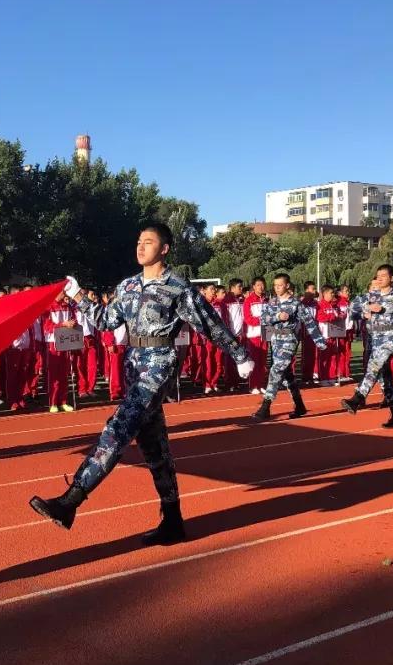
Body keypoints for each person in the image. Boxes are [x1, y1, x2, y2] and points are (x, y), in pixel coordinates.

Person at [29, 221, 253, 544]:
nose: (140, 246)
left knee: (117, 429)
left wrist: (239, 353)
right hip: (134, 364)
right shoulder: (128, 286)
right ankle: (173, 520)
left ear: (164, 249)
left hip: (159, 365)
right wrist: (78, 294)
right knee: (155, 448)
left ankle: (71, 501)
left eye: (148, 242)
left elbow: (209, 323)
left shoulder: (177, 287)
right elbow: (106, 321)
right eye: (138, 241)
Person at [341, 265, 393, 428]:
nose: (380, 278)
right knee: (385, 379)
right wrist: (367, 307)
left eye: (383, 275)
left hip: (390, 337)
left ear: (392, 278)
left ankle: (358, 398)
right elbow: (350, 307)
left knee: (374, 366)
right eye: (378, 276)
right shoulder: (372, 295)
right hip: (374, 338)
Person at [251, 274, 327, 422]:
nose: (277, 288)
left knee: (276, 369)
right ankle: (299, 405)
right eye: (275, 285)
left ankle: (265, 407)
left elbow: (309, 322)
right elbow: (262, 319)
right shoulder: (271, 302)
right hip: (275, 339)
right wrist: (277, 317)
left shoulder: (296, 304)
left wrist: (319, 341)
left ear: (287, 286)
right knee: (287, 375)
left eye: (280, 285)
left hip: (290, 339)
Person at [42, 292, 78, 412]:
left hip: (65, 341)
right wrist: (62, 324)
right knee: (54, 374)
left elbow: (74, 320)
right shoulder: (49, 307)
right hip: (53, 342)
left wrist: (72, 323)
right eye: (63, 291)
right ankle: (53, 402)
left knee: (64, 373)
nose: (65, 293)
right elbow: (47, 327)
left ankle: (63, 401)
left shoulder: (68, 306)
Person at [241, 277, 269, 394]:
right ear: (253, 286)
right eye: (258, 285)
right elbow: (248, 319)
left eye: (262, 285)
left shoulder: (267, 300)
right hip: (253, 335)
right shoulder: (249, 301)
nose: (261, 287)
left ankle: (261, 383)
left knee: (263, 361)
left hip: (265, 333)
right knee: (254, 360)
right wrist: (262, 320)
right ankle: (253, 385)